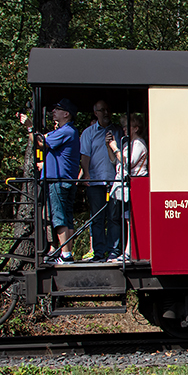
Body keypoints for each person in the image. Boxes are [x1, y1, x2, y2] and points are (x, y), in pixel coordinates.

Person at [27, 100, 80, 262]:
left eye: (58, 109)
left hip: (58, 180)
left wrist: (29, 127)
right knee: (67, 218)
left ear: (66, 114)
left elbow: (40, 143)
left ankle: (65, 255)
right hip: (65, 180)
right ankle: (66, 253)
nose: (54, 112)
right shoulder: (68, 131)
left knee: (59, 218)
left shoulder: (66, 131)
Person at [80, 100, 123, 261]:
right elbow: (85, 155)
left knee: (114, 218)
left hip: (115, 181)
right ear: (95, 113)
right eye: (102, 110)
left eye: (108, 110)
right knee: (97, 218)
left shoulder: (118, 130)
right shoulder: (88, 133)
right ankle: (99, 253)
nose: (106, 113)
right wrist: (86, 174)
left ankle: (114, 251)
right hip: (95, 182)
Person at [107, 114, 148, 261]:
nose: (124, 129)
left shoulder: (139, 144)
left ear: (136, 128)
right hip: (124, 187)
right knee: (126, 218)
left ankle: (129, 251)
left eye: (127, 126)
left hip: (135, 186)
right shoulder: (127, 144)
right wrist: (109, 146)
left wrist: (115, 148)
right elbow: (114, 160)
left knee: (130, 219)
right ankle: (127, 250)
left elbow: (128, 163)